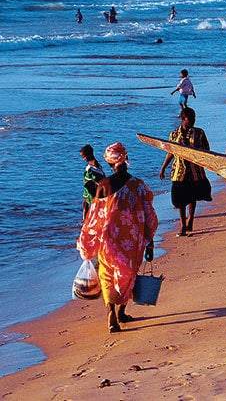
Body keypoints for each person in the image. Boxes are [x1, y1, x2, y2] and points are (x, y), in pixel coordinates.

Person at [78, 142, 158, 333]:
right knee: (128, 275)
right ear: (125, 159)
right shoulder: (139, 185)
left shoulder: (104, 185)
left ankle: (112, 314)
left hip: (109, 239)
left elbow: (94, 216)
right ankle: (122, 310)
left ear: (110, 162)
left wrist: (88, 241)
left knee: (107, 275)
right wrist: (150, 240)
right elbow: (150, 216)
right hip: (133, 239)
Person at [159, 108, 212, 237]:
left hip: (195, 170)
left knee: (192, 197)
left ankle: (190, 220)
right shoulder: (174, 134)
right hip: (179, 171)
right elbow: (171, 152)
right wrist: (163, 168)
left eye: (194, 119)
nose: (193, 122)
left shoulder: (199, 133)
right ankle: (183, 225)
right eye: (190, 119)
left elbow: (206, 150)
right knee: (180, 200)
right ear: (183, 119)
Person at [80, 144, 105, 221]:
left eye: (84, 156)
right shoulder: (95, 165)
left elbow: (99, 180)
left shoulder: (93, 167)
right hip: (90, 194)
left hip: (93, 195)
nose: (83, 159)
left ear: (89, 154)